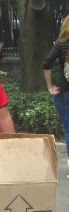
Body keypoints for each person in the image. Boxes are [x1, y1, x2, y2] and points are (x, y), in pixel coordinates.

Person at [42, 16, 69, 152]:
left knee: (68, 130)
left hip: (63, 92)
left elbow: (47, 63)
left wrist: (49, 86)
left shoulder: (61, 43)